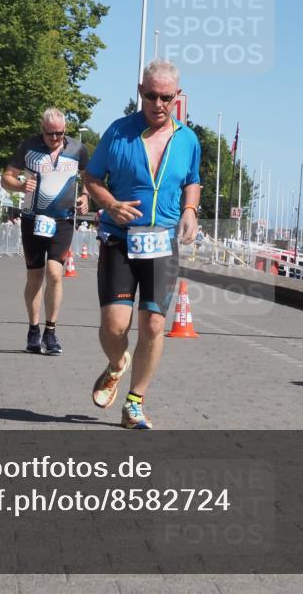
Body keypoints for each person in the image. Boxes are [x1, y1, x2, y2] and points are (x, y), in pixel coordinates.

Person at [83, 60, 201, 429]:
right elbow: (92, 177)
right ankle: (118, 363)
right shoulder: (118, 133)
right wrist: (110, 204)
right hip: (120, 239)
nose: (158, 103)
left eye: (166, 97)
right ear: (141, 92)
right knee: (114, 325)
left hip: (163, 243)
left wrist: (191, 210)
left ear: (177, 97)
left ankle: (134, 402)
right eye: (151, 95)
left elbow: (192, 181)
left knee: (152, 324)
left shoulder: (188, 140)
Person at [1, 108, 89, 356]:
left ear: (65, 131)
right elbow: (6, 177)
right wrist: (19, 185)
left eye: (59, 134)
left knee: (55, 273)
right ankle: (33, 329)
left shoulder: (77, 149)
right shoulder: (29, 147)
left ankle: (50, 332)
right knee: (35, 276)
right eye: (50, 134)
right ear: (42, 130)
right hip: (33, 218)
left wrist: (85, 196)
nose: (55, 138)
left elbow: (90, 178)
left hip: (63, 220)